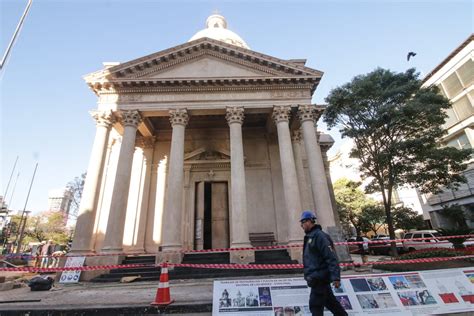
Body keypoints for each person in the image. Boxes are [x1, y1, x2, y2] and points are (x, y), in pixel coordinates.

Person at [300, 210, 348, 316]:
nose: (302, 226)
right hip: (316, 278)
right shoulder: (310, 237)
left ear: (309, 221)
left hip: (320, 278)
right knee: (331, 304)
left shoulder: (319, 236)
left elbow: (331, 257)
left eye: (302, 223)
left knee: (315, 306)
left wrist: (335, 277)